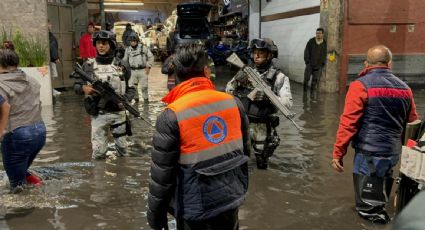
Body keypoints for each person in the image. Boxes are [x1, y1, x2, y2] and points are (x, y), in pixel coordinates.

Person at [147, 43, 251, 230]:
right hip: (230, 199)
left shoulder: (171, 115)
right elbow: (246, 152)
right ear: (206, 71)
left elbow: (161, 177)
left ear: (175, 74)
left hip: (194, 210)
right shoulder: (234, 103)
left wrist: (156, 217)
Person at [331, 45, 419, 224]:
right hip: (393, 153)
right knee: (381, 195)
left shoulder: (360, 86)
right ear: (389, 63)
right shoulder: (405, 89)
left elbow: (348, 123)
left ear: (365, 64)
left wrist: (338, 153)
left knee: (367, 207)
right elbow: (413, 124)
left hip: (368, 153)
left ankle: (373, 223)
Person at [226, 38, 293, 169]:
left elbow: (287, 103)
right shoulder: (245, 72)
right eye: (254, 52)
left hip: (262, 126)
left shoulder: (279, 77)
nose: (256, 56)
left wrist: (268, 98)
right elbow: (228, 91)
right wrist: (238, 82)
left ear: (270, 55)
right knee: (239, 161)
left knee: (262, 162)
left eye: (261, 53)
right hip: (242, 123)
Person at [73, 30, 135, 160]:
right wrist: (84, 88)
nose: (101, 46)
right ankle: (99, 179)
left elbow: (131, 88)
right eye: (98, 43)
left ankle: (123, 175)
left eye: (105, 43)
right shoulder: (88, 65)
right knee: (99, 153)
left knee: (123, 151)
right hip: (98, 114)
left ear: (111, 45)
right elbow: (76, 86)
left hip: (119, 114)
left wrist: (126, 100)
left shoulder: (122, 65)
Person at [0, 47, 46, 193]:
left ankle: (25, 212)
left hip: (18, 136)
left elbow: (5, 107)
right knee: (19, 170)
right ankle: (38, 184)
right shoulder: (29, 79)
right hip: (39, 131)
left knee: (17, 186)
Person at [122, 32, 153, 103]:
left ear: (137, 41)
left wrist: (148, 66)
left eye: (134, 41)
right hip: (132, 71)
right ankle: (136, 102)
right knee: (133, 88)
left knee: (144, 87)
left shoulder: (143, 48)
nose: (132, 43)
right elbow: (125, 60)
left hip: (142, 70)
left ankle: (146, 102)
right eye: (131, 41)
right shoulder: (128, 50)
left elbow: (151, 57)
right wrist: (122, 66)